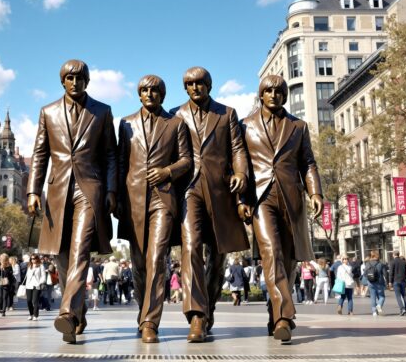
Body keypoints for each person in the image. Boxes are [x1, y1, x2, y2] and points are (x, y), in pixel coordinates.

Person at [27, 59, 118, 344]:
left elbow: (111, 155)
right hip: (57, 191)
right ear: (62, 81)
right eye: (70, 78)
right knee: (62, 255)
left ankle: (66, 313)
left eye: (80, 78)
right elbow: (40, 154)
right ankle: (77, 311)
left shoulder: (102, 112)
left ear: (87, 81)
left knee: (80, 250)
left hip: (89, 189)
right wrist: (32, 190)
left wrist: (111, 190)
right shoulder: (48, 112)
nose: (75, 82)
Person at [238, 74, 323, 344]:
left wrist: (315, 192)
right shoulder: (244, 125)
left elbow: (308, 163)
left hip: (292, 199)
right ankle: (285, 316)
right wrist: (241, 200)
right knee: (271, 253)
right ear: (261, 94)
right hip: (260, 198)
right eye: (268, 90)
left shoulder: (298, 126)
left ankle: (274, 312)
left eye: (278, 91)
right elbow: (239, 166)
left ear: (284, 95)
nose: (273, 94)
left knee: (288, 260)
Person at [170, 66, 250, 343]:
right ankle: (196, 316)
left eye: (200, 83)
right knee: (190, 247)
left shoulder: (226, 114)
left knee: (217, 258)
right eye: (190, 84)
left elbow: (238, 149)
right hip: (188, 190)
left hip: (220, 190)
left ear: (209, 85)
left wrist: (240, 174)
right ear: (185, 88)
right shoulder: (175, 115)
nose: (195, 88)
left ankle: (209, 306)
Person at [116, 74, 191, 342]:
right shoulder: (125, 124)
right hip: (133, 199)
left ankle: (150, 322)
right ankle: (143, 311)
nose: (150, 94)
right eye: (145, 90)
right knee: (138, 264)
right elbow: (121, 163)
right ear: (138, 94)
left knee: (157, 257)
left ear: (163, 94)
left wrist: (167, 171)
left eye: (155, 90)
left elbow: (187, 161)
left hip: (162, 198)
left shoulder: (176, 123)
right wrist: (117, 197)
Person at [24, 255, 46, 321]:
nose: (33, 260)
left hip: (37, 285)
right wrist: (26, 285)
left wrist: (40, 282)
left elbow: (43, 276)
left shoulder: (41, 266)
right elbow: (27, 276)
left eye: (34, 258)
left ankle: (35, 315)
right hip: (29, 285)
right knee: (28, 301)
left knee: (35, 301)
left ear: (37, 259)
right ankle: (31, 314)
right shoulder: (29, 266)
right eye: (31, 258)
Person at [388, 251, 406, 316]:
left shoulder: (392, 262)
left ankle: (402, 309)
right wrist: (404, 278)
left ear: (393, 255)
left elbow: (391, 273)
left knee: (398, 296)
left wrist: (390, 281)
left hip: (396, 281)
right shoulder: (403, 262)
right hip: (402, 280)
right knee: (404, 295)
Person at [366, 251, 386, 316]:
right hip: (379, 282)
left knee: (373, 297)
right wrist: (387, 282)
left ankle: (374, 312)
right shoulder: (380, 264)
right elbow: (385, 273)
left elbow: (365, 273)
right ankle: (379, 305)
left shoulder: (368, 263)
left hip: (370, 282)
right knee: (382, 296)